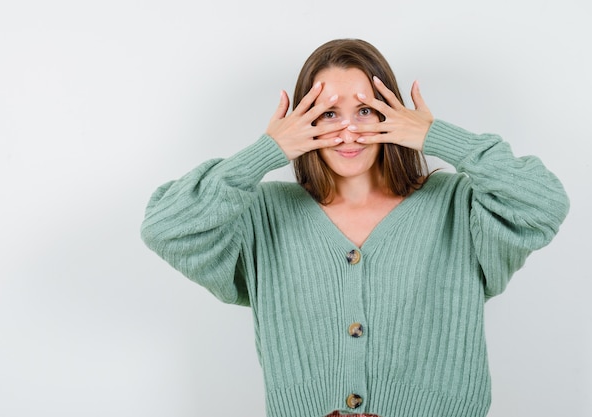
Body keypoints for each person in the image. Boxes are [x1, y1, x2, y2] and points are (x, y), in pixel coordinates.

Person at [140, 39, 569, 417]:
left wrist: (440, 138)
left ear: (395, 114)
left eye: (366, 110)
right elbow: (165, 227)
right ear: (301, 124)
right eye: (328, 114)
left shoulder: (458, 205)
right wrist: (264, 153)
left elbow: (543, 202)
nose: (349, 130)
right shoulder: (262, 214)